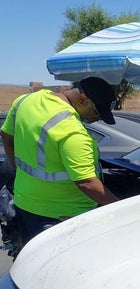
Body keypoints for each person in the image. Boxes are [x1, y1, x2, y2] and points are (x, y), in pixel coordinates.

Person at [0, 77, 120, 247]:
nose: (97, 119)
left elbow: (6, 136)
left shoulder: (25, 101)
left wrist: (17, 171)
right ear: (83, 99)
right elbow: (86, 183)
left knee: (33, 265)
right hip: (62, 218)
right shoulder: (72, 131)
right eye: (98, 112)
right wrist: (121, 207)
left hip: (24, 204)